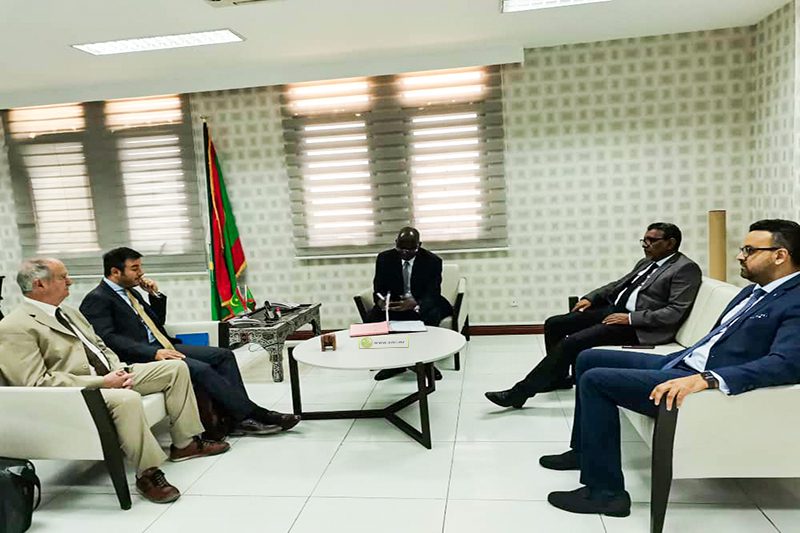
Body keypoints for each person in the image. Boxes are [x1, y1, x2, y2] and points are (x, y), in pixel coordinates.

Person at [540, 219, 800, 517]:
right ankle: (584, 451)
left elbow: (787, 364)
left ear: (780, 255)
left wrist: (708, 379)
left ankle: (606, 494)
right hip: (684, 361)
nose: (740, 255)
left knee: (596, 380)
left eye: (749, 250)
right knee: (588, 357)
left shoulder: (795, 301)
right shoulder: (754, 291)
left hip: (698, 378)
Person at [0, 258, 230, 504]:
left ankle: (185, 444)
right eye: (62, 277)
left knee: (175, 368)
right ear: (39, 284)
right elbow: (36, 382)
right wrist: (102, 382)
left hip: (111, 374)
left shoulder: (68, 312)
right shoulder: (15, 326)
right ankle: (148, 473)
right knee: (126, 399)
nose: (70, 281)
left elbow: (101, 346)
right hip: (79, 392)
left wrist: (118, 370)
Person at [79, 247, 300, 437]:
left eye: (140, 267)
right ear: (115, 272)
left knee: (223, 355)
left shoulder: (131, 293)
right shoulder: (97, 299)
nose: (141, 273)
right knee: (201, 369)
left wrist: (154, 295)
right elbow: (108, 339)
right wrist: (153, 354)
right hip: (141, 356)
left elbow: (156, 322)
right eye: (135, 268)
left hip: (163, 346)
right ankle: (253, 415)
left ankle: (238, 417)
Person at [486, 222, 702, 408]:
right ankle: (558, 378)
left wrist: (629, 319)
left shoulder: (685, 269)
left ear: (671, 243)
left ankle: (519, 393)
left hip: (640, 327)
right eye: (644, 240)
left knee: (572, 343)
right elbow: (618, 284)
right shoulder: (647, 261)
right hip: (616, 312)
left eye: (652, 240)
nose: (645, 244)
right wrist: (591, 298)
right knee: (555, 324)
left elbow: (674, 312)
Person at [365, 227, 453, 381]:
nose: (405, 253)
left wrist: (415, 303)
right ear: (395, 243)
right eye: (401, 248)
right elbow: (378, 288)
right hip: (396, 304)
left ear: (419, 245)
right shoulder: (384, 258)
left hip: (421, 303)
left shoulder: (432, 261)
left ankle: (426, 363)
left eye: (411, 249)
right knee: (374, 318)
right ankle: (394, 364)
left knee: (432, 315)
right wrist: (381, 300)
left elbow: (433, 292)